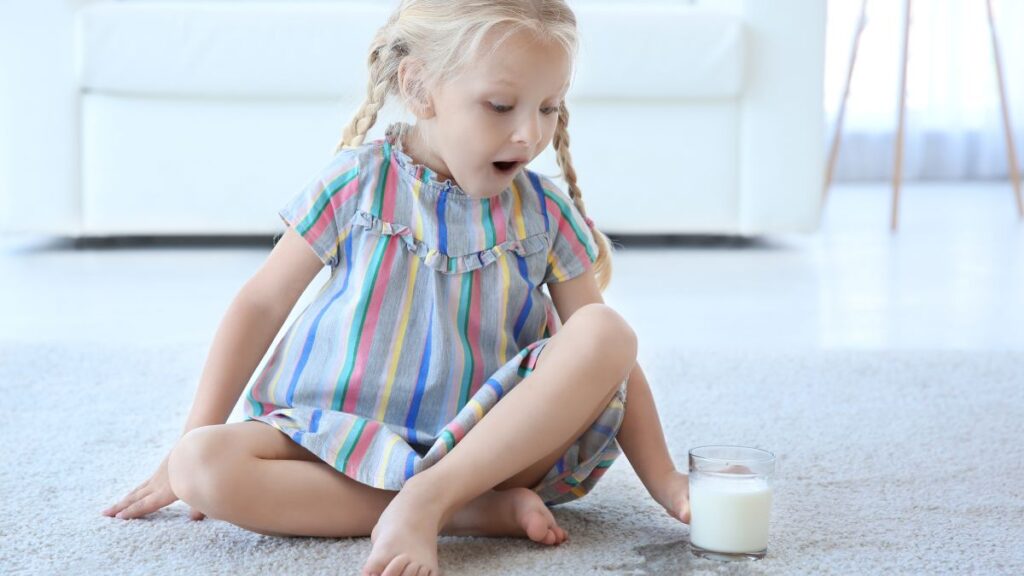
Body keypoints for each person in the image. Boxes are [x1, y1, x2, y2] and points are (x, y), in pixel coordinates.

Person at [101, 1, 691, 574]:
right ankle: (463, 513)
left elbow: (609, 361)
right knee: (201, 465)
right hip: (341, 435)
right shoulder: (357, 184)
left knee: (606, 328)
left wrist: (665, 481)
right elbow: (260, 303)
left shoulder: (542, 213)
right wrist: (182, 447)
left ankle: (437, 495)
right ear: (418, 88)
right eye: (502, 105)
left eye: (549, 108)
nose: (528, 134)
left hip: (489, 447)